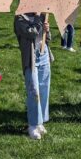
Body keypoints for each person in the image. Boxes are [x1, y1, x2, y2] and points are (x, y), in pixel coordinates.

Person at [14, 12, 53, 140]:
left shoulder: (42, 16)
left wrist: (47, 30)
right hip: (31, 58)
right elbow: (32, 32)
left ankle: (40, 121)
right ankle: (32, 124)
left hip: (43, 55)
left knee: (43, 89)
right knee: (34, 91)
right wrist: (38, 19)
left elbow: (46, 38)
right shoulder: (19, 19)